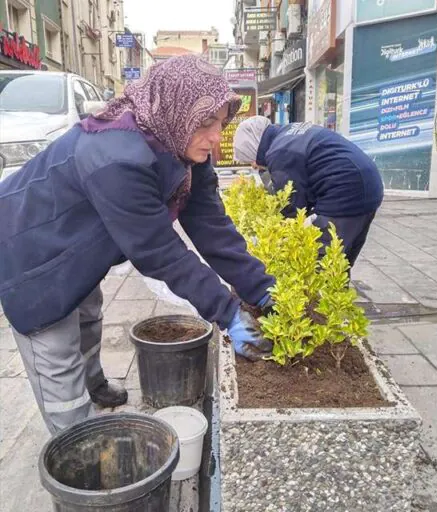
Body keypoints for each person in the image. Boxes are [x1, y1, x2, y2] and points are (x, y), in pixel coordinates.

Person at [0, 55, 276, 434]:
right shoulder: (117, 157)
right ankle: (79, 446)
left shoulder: (180, 140)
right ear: (177, 108)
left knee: (88, 317)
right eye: (206, 122)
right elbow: (159, 252)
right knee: (56, 349)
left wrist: (262, 290)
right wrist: (227, 313)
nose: (216, 137)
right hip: (29, 248)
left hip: (80, 242)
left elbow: (212, 227)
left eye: (221, 122)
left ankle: (95, 386)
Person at [232, 116, 384, 266]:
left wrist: (272, 237)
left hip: (345, 192)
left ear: (254, 147)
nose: (254, 166)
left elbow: (291, 206)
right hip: (369, 184)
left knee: (319, 261)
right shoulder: (288, 133)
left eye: (250, 159)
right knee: (341, 261)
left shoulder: (279, 152)